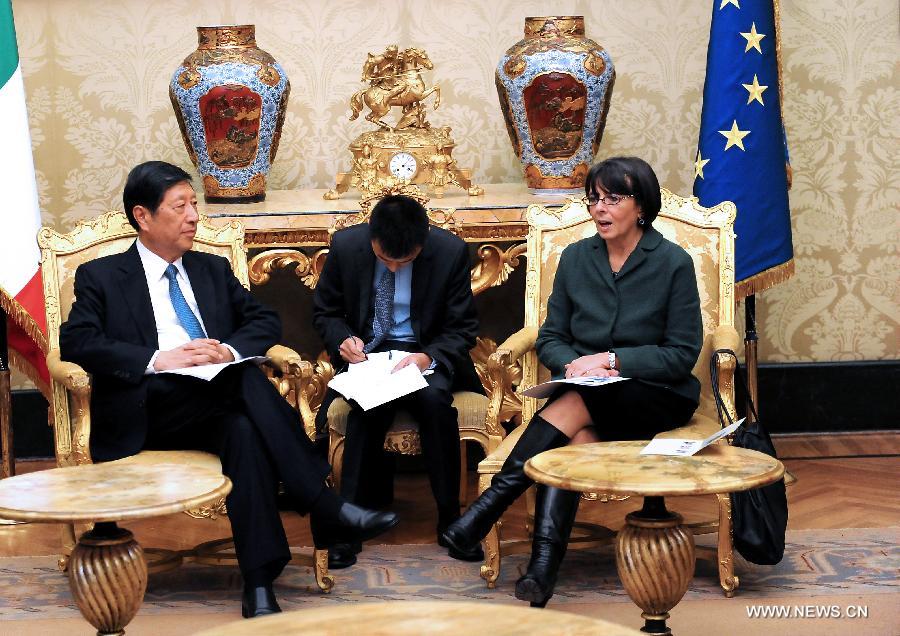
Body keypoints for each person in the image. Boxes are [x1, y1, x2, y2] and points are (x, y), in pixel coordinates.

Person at [58, 161, 398, 619]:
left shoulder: (211, 269)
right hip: (148, 408)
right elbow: (77, 340)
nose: (194, 216)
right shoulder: (102, 276)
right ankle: (322, 504)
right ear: (143, 216)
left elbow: (263, 320)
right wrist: (159, 359)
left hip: (214, 404)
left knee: (242, 428)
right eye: (180, 206)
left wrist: (228, 349)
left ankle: (259, 585)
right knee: (242, 381)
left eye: (194, 204)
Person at [441, 156, 703, 607]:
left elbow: (681, 354)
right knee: (571, 433)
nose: (599, 209)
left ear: (641, 206)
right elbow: (552, 338)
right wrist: (576, 365)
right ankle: (542, 570)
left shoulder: (672, 262)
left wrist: (611, 359)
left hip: (657, 396)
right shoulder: (576, 258)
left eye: (612, 199)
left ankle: (487, 511)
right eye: (593, 199)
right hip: (588, 394)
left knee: (576, 403)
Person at [312, 194, 483, 569]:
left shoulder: (450, 251)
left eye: (402, 262)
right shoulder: (347, 245)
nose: (391, 268)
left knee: (437, 406)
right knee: (365, 407)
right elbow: (326, 311)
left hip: (423, 356)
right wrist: (342, 339)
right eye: (383, 259)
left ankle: (451, 521)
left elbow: (462, 328)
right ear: (370, 237)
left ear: (421, 245)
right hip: (370, 354)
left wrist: (426, 358)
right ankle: (349, 525)